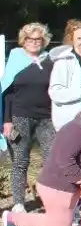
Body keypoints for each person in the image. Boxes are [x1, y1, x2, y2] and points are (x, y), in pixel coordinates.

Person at [3, 94, 81, 226]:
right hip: (56, 185)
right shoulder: (74, 130)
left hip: (72, 180)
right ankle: (14, 219)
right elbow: (65, 160)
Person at [3, 22, 55, 212]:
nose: (34, 42)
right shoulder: (16, 58)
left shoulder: (50, 60)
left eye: (38, 39)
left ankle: (50, 200)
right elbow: (7, 92)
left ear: (44, 41)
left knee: (51, 159)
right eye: (30, 39)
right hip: (20, 116)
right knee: (20, 161)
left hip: (47, 118)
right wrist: (7, 121)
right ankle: (19, 203)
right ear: (23, 40)